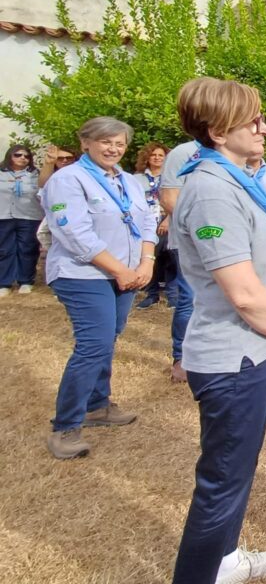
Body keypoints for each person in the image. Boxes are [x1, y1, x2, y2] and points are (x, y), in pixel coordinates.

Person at [170, 77, 266, 584]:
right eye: (252, 120)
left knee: (236, 473)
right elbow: (244, 292)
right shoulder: (211, 192)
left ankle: (225, 561)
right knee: (222, 483)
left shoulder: (233, 180)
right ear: (215, 130)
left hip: (251, 354)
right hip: (235, 360)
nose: (265, 128)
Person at [42, 117, 158, 459]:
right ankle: (65, 427)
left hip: (126, 273)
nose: (114, 149)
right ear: (85, 143)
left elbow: (147, 220)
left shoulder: (127, 181)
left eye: (120, 143)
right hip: (82, 275)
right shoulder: (67, 180)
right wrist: (120, 269)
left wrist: (147, 261)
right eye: (107, 142)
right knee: (93, 344)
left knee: (108, 338)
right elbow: (74, 233)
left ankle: (97, 405)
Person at [161, 137, 202, 383]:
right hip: (190, 243)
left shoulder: (230, 151)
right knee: (189, 300)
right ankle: (181, 359)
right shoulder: (184, 153)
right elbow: (169, 198)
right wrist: (200, 229)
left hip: (225, 246)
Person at [0, 144, 44, 296]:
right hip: (4, 216)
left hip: (29, 216)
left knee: (27, 249)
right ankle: (4, 282)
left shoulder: (36, 174)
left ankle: (25, 281)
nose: (22, 158)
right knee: (4, 250)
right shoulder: (1, 173)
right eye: (17, 155)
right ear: (10, 156)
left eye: (26, 156)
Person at [133, 142, 173, 309]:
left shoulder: (172, 177)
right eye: (153, 155)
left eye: (160, 155)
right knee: (150, 258)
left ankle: (173, 296)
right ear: (147, 158)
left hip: (167, 220)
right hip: (145, 223)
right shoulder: (136, 179)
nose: (157, 158)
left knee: (172, 258)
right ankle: (151, 294)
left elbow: (178, 200)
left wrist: (168, 219)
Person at [36, 146, 78, 255]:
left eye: (68, 158)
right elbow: (42, 185)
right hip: (56, 214)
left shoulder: (80, 173)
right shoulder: (52, 175)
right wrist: (49, 163)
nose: (64, 160)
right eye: (60, 158)